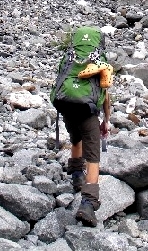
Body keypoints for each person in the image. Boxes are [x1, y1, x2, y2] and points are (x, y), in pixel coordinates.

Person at [55, 86, 111, 227]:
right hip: (88, 112)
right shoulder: (99, 64)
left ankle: (77, 176)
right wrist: (106, 120)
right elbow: (105, 95)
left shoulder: (72, 63)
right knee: (93, 157)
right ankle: (88, 203)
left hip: (68, 109)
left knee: (76, 138)